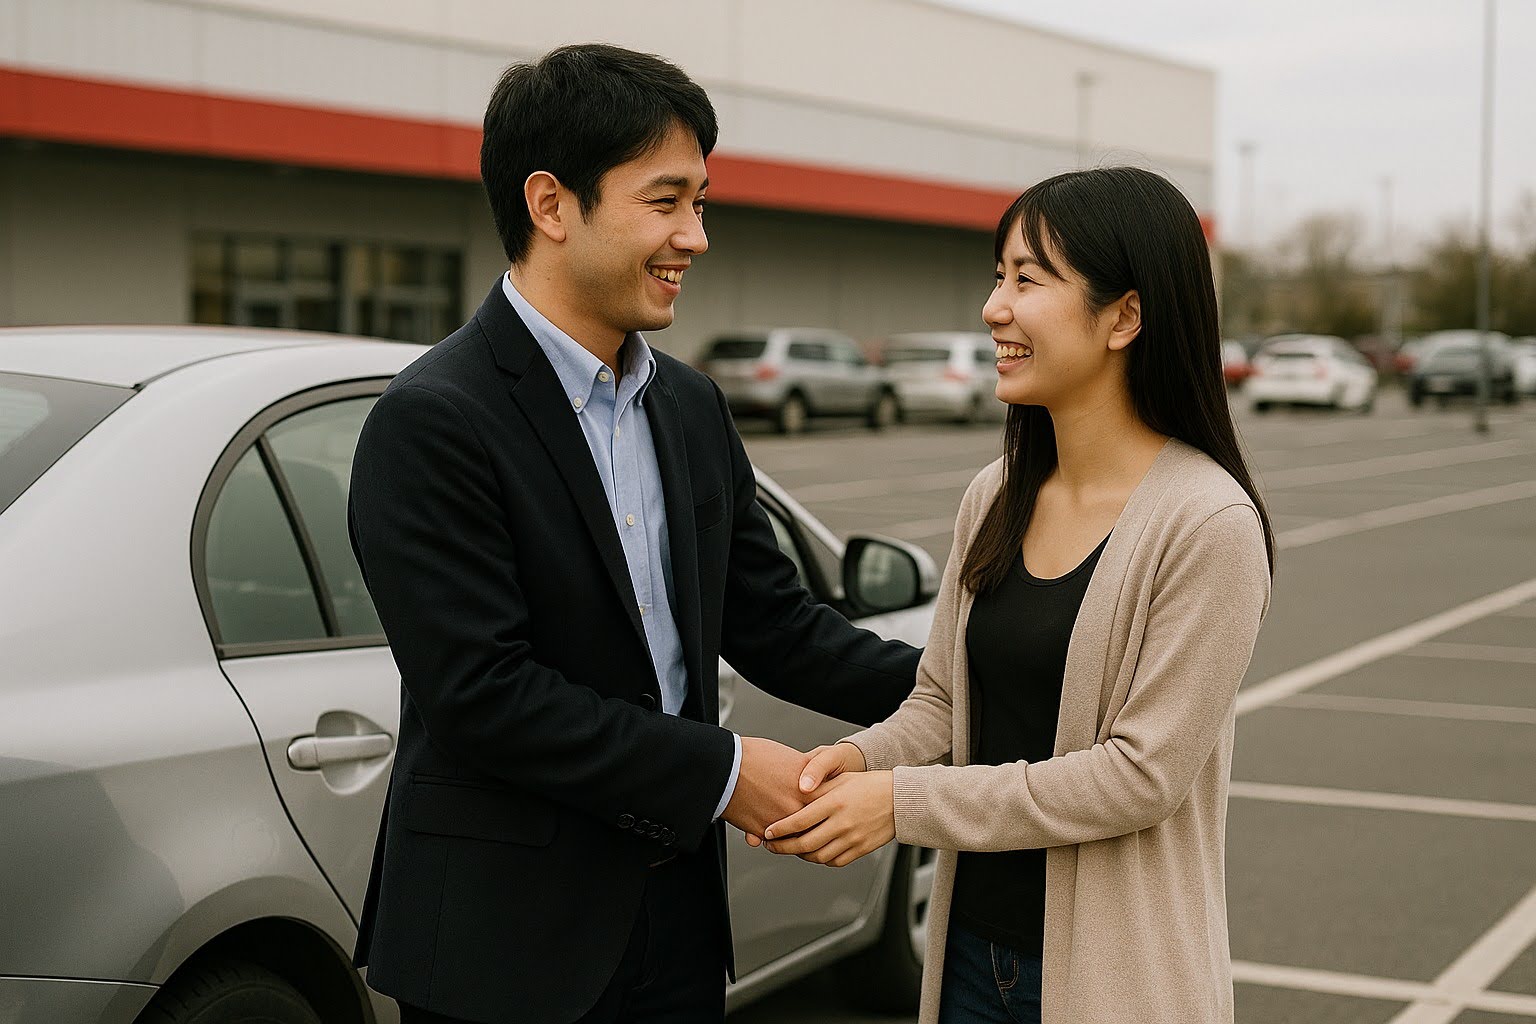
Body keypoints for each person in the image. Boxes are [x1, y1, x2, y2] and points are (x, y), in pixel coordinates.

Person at [346, 43, 920, 1024]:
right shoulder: (434, 418)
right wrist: (728, 772)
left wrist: (980, 679)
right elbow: (488, 694)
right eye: (666, 201)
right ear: (552, 204)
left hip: (679, 924)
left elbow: (777, 622)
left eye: (702, 201)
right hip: (506, 944)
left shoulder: (689, 408)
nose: (695, 236)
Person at [761, 166, 1276, 1024]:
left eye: (1028, 279)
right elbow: (941, 703)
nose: (994, 307)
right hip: (968, 960)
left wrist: (901, 804)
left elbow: (1139, 777)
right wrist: (852, 763)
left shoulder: (1208, 522)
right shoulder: (995, 495)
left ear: (1126, 316)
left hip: (1117, 979)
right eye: (999, 276)